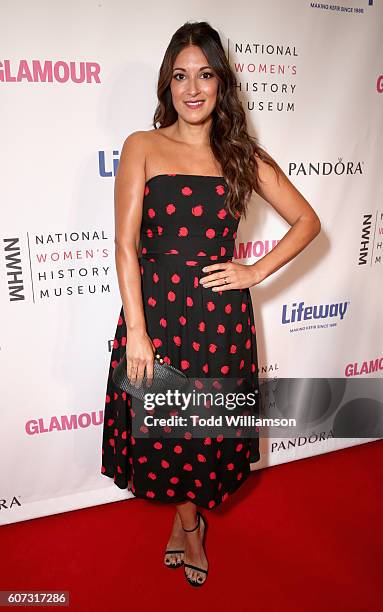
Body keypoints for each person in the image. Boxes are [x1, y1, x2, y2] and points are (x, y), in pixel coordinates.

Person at [101, 20, 321, 587]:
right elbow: (126, 246)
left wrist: (254, 270)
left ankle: (188, 524)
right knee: (168, 430)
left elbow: (307, 222)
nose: (192, 88)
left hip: (219, 323)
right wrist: (140, 334)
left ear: (221, 83)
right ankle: (188, 523)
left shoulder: (241, 155)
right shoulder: (142, 146)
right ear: (167, 84)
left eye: (204, 74)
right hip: (157, 318)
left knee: (205, 435)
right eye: (180, 76)